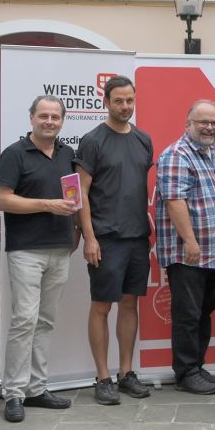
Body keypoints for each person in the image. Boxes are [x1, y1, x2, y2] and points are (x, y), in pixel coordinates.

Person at [0, 95, 79, 423]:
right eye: (43, 115)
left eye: (55, 117)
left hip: (59, 249)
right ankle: (14, 393)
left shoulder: (66, 153)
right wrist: (48, 205)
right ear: (31, 118)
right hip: (26, 250)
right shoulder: (14, 154)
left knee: (45, 321)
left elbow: (73, 197)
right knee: (24, 320)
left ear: (61, 121)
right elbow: (1, 200)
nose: (49, 121)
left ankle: (36, 388)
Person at [74, 75, 154, 404]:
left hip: (137, 237)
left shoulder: (144, 139)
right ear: (105, 101)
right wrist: (89, 238)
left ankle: (125, 373)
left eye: (130, 101)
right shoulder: (93, 140)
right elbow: (81, 192)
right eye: (118, 100)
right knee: (101, 306)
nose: (125, 106)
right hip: (105, 237)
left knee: (130, 304)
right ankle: (103, 377)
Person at [155, 101, 215, 395]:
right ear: (188, 123)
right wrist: (190, 241)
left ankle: (197, 366)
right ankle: (186, 372)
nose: (209, 127)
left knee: (204, 310)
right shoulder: (176, 155)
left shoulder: (214, 152)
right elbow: (175, 201)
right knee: (187, 314)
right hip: (189, 253)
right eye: (203, 122)